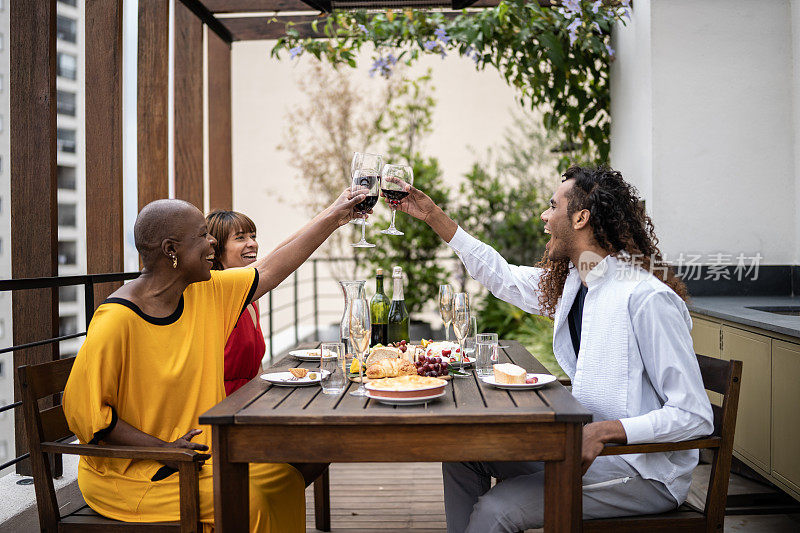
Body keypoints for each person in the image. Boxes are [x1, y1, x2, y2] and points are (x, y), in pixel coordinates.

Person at [392, 166, 714, 533]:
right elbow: (503, 276)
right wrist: (433, 216)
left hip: (643, 471)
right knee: (464, 457)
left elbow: (694, 416)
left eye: (552, 205)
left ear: (581, 218)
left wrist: (605, 431)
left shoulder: (645, 298)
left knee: (496, 509)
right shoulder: (579, 283)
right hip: (586, 450)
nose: (544, 216)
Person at [63, 189, 367, 532]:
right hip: (134, 473)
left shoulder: (203, 292)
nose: (212, 243)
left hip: (196, 455)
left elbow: (270, 268)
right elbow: (87, 416)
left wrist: (334, 217)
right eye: (202, 236)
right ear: (171, 250)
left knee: (284, 477)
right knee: (251, 501)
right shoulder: (117, 320)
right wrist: (165, 448)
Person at [206, 210, 266, 396]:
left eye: (253, 236)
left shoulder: (250, 298)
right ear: (217, 248)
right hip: (222, 406)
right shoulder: (214, 294)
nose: (252, 244)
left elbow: (257, 368)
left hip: (252, 402)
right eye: (240, 238)